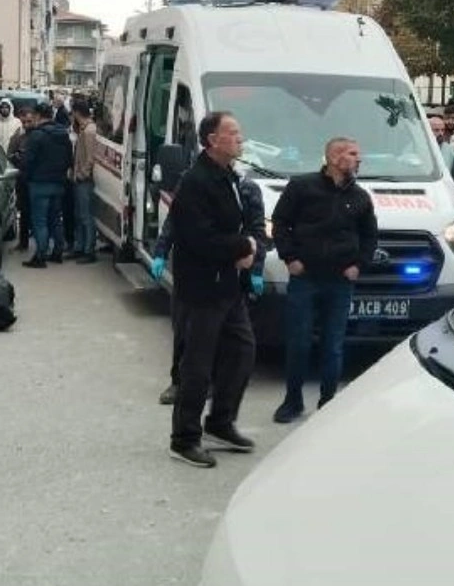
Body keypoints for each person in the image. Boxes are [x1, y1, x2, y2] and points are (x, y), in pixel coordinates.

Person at [168, 111, 259, 468]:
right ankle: (184, 438)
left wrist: (247, 246)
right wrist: (243, 247)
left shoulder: (227, 176)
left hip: (228, 286)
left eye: (239, 132)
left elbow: (236, 224)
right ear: (212, 140)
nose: (240, 138)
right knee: (198, 365)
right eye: (232, 132)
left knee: (242, 352)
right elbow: (198, 238)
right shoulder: (196, 182)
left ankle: (220, 423)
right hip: (201, 288)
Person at [270, 137, 379, 424]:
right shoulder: (302, 187)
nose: (358, 159)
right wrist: (289, 257)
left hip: (340, 281)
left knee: (333, 345)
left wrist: (359, 265)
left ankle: (328, 403)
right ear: (333, 157)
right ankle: (292, 401)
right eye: (352, 153)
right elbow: (280, 223)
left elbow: (370, 235)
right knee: (299, 343)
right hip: (305, 278)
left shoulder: (360, 197)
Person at [151, 172, 267, 406]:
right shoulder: (193, 182)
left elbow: (256, 232)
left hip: (230, 272)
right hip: (193, 273)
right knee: (184, 330)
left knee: (224, 333)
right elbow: (174, 222)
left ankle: (214, 383)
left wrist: (256, 269)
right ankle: (178, 381)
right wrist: (161, 252)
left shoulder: (247, 189)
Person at [22, 102, 74, 268]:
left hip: (39, 183)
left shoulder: (36, 135)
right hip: (58, 183)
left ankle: (40, 256)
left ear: (38, 115)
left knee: (40, 221)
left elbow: (28, 161)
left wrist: (27, 177)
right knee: (55, 219)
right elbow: (69, 158)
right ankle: (57, 252)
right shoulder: (63, 134)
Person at [70, 101, 99, 264]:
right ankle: (80, 247)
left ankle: (88, 250)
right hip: (79, 178)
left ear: (76, 112)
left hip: (84, 180)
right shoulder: (84, 129)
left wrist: (82, 174)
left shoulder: (89, 131)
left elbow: (90, 157)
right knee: (79, 215)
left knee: (86, 216)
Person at [8, 106, 36, 252]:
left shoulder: (39, 135)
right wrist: (17, 157)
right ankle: (23, 242)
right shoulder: (18, 137)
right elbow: (9, 155)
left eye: (29, 121)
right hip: (23, 179)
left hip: (37, 179)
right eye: (24, 122)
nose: (26, 125)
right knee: (24, 212)